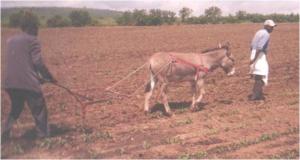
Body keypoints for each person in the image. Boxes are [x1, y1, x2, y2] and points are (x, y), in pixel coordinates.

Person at [2, 11, 57, 140]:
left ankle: (3, 134)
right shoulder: (33, 41)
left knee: (16, 108)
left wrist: (38, 78)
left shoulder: (10, 40)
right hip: (27, 83)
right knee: (39, 109)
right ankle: (43, 137)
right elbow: (38, 62)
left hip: (10, 83)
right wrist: (49, 77)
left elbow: (21, 64)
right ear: (30, 27)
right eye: (36, 27)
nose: (37, 30)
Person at [249, 19, 277, 101]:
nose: (272, 29)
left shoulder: (259, 32)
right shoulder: (266, 34)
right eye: (271, 27)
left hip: (254, 52)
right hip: (259, 54)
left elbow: (252, 45)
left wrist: (252, 57)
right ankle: (256, 96)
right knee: (261, 74)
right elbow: (260, 47)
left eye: (273, 27)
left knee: (259, 75)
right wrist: (254, 59)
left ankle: (258, 94)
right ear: (266, 26)